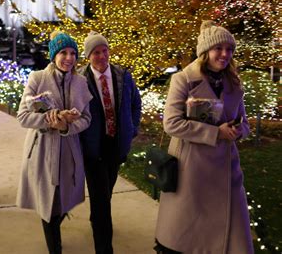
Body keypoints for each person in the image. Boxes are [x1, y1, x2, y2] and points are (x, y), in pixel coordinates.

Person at [154, 21, 253, 254]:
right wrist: (215, 133)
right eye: (219, 48)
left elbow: (245, 123)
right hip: (192, 170)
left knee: (232, 241)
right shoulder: (184, 80)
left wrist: (239, 131)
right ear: (205, 51)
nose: (225, 54)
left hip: (226, 170)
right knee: (187, 239)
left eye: (229, 49)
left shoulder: (234, 84)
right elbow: (171, 123)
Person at [16, 31, 93, 254]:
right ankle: (55, 249)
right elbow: (23, 116)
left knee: (61, 201)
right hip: (43, 151)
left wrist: (68, 127)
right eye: (63, 53)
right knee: (48, 205)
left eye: (72, 53)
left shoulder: (81, 82)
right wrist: (53, 120)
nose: (68, 58)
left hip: (68, 150)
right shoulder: (37, 78)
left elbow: (87, 118)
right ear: (53, 55)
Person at [78, 31, 142, 254]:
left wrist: (132, 128)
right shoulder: (80, 80)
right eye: (96, 52)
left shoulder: (122, 76)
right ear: (88, 56)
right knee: (101, 201)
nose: (102, 56)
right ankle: (104, 248)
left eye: (104, 50)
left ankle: (97, 220)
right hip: (93, 148)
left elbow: (136, 103)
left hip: (116, 145)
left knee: (107, 192)